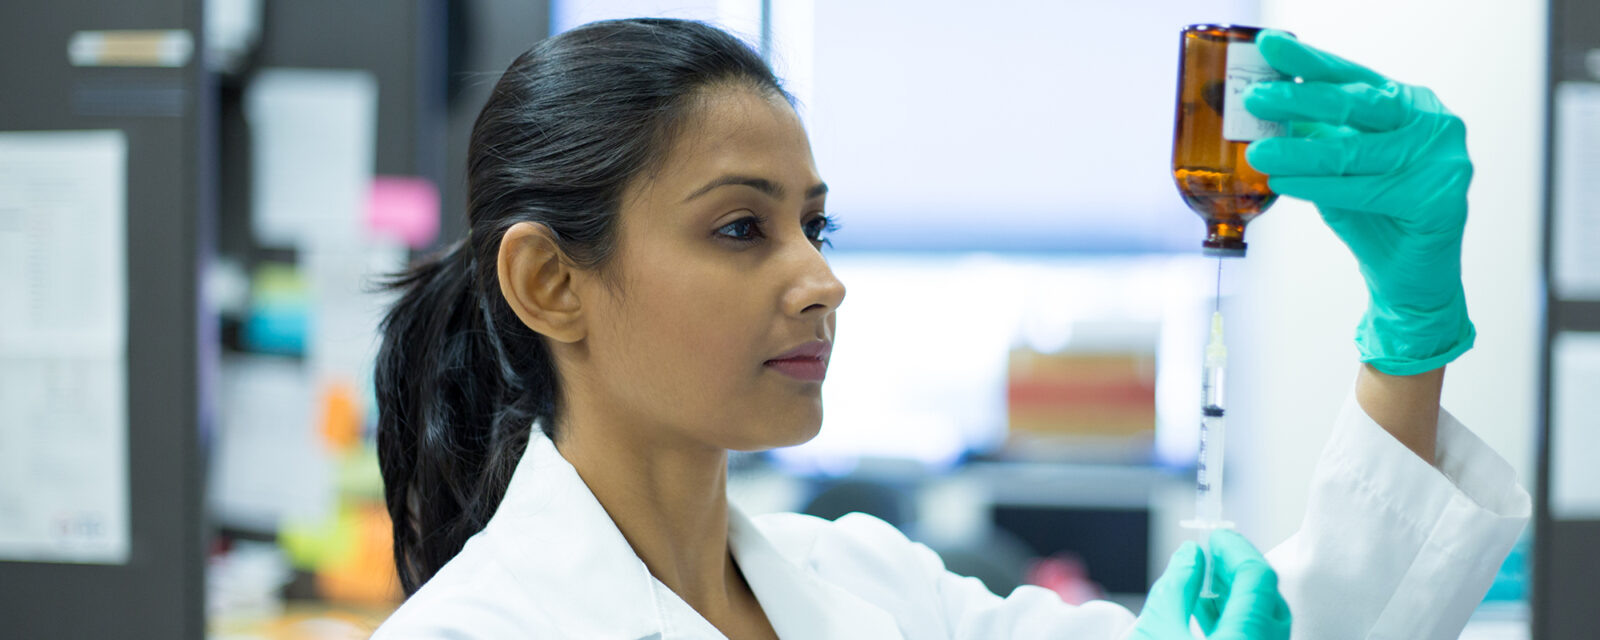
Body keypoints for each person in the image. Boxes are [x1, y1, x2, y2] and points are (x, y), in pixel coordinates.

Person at [370, 19, 1527, 639]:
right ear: (549, 282)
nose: (819, 280)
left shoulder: (869, 586)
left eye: (818, 227)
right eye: (739, 228)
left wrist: (1406, 337)